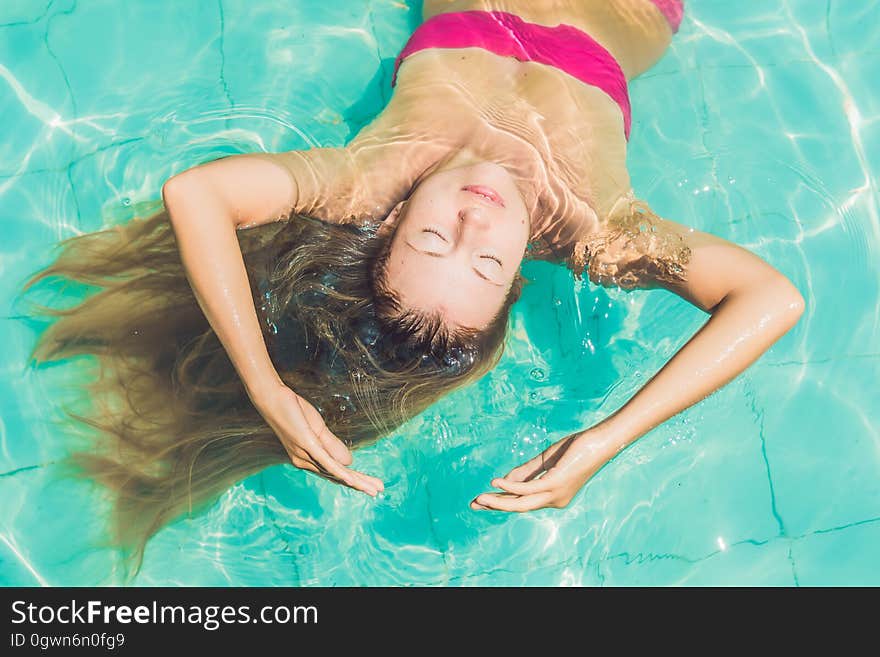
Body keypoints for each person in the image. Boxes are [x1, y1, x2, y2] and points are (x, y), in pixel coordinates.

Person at [22, 0, 803, 571]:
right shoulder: (598, 232)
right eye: (490, 263)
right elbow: (772, 299)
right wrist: (601, 441)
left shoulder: (365, 181)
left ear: (390, 226)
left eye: (432, 239)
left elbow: (195, 195)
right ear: (517, 285)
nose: (475, 222)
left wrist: (264, 383)